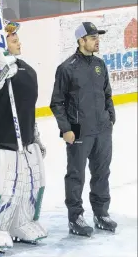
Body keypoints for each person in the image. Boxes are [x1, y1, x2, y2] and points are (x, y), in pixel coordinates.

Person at [0, 20, 47, 251]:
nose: (18, 41)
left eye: (17, 39)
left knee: (27, 185)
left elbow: (29, 110)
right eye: (13, 39)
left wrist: (34, 137)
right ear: (0, 43)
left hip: (22, 142)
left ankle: (21, 223)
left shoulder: (27, 70)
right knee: (1, 187)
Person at [50, 22, 117, 237]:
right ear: (81, 41)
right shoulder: (66, 68)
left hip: (102, 130)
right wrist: (66, 129)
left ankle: (101, 213)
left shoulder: (100, 64)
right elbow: (57, 103)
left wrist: (110, 118)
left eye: (98, 37)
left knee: (102, 173)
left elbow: (107, 94)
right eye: (92, 37)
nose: (97, 41)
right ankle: (75, 217)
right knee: (76, 175)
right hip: (78, 130)